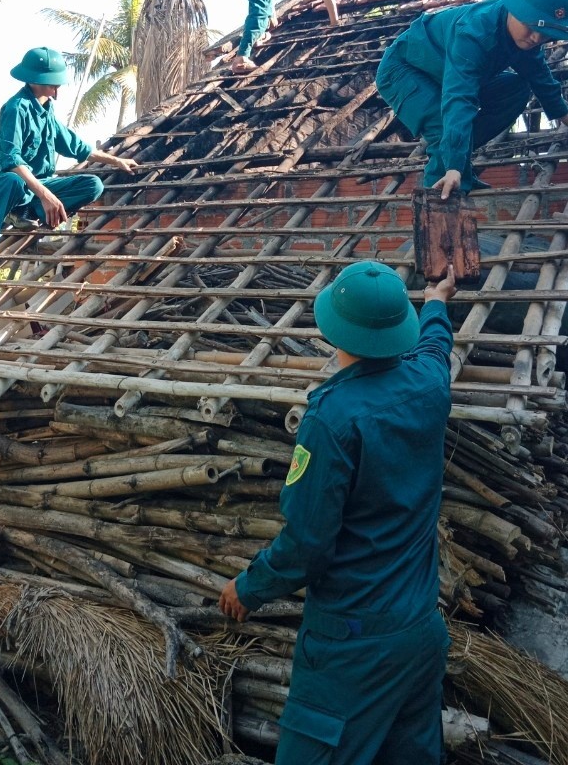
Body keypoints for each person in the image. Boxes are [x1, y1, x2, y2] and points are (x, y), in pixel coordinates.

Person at [219, 261, 457, 764]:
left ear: (333, 329)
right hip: (419, 632)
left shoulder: (332, 419)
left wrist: (248, 588)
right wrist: (437, 300)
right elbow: (437, 346)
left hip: (352, 647)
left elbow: (307, 543)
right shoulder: (430, 385)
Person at [375, 0, 568, 200]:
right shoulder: (473, 34)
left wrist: (561, 111)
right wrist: (453, 166)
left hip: (444, 71)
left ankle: (456, 163)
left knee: (516, 88)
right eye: (531, 26)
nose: (536, 38)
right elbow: (459, 99)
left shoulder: (525, 40)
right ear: (515, 10)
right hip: (404, 69)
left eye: (546, 34)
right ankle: (440, 193)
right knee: (442, 123)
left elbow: (538, 73)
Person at [0, 46, 138, 282]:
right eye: (52, 84)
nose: (56, 90)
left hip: (38, 188)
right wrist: (45, 195)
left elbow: (77, 146)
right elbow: (10, 160)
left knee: (93, 185)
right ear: (35, 81)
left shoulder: (47, 112)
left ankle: (26, 213)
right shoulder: (15, 109)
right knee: (10, 180)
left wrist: (116, 160)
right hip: (10, 186)